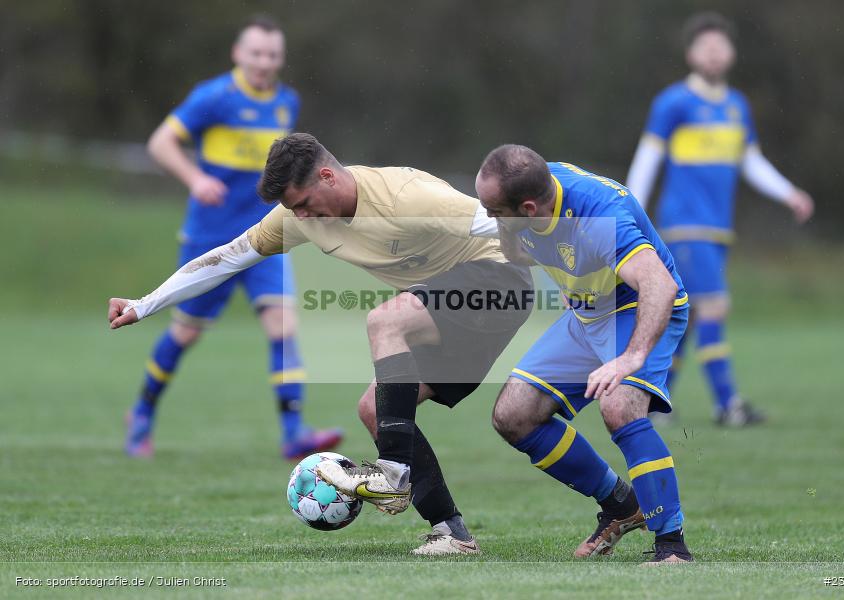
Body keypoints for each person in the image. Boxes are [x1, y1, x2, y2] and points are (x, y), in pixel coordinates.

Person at [108, 133, 533, 556]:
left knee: (385, 321)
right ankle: (453, 534)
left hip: (500, 278)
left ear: (328, 176)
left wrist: (579, 278)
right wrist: (145, 304)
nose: (300, 215)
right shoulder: (299, 216)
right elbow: (229, 256)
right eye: (292, 209)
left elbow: (507, 221)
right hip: (456, 310)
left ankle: (392, 474)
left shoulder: (407, 196)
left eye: (303, 203)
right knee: (375, 409)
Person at [127, 16, 342, 460]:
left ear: (281, 58)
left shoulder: (286, 102)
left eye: (272, 55)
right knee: (185, 333)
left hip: (268, 235)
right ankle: (142, 413)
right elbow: (159, 143)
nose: (264, 62)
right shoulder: (213, 97)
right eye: (256, 53)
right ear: (238, 54)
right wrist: (194, 178)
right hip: (210, 238)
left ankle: (293, 433)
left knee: (283, 325)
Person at [475, 145, 693, 564]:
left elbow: (659, 286)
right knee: (514, 415)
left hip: (636, 307)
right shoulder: (531, 185)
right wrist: (505, 227)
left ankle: (671, 545)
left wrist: (629, 358)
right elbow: (519, 251)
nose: (487, 217)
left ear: (529, 206)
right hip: (587, 311)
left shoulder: (598, 218)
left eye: (494, 210)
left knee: (619, 408)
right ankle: (620, 505)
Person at [625, 12, 814, 426]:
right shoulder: (673, 102)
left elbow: (751, 162)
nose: (714, 54)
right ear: (691, 54)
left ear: (731, 53)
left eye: (720, 46)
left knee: (687, 318)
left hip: (717, 229)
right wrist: (629, 211)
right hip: (684, 225)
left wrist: (789, 194)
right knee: (714, 307)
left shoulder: (736, 106)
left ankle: (656, 404)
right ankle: (728, 405)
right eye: (705, 46)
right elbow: (648, 159)